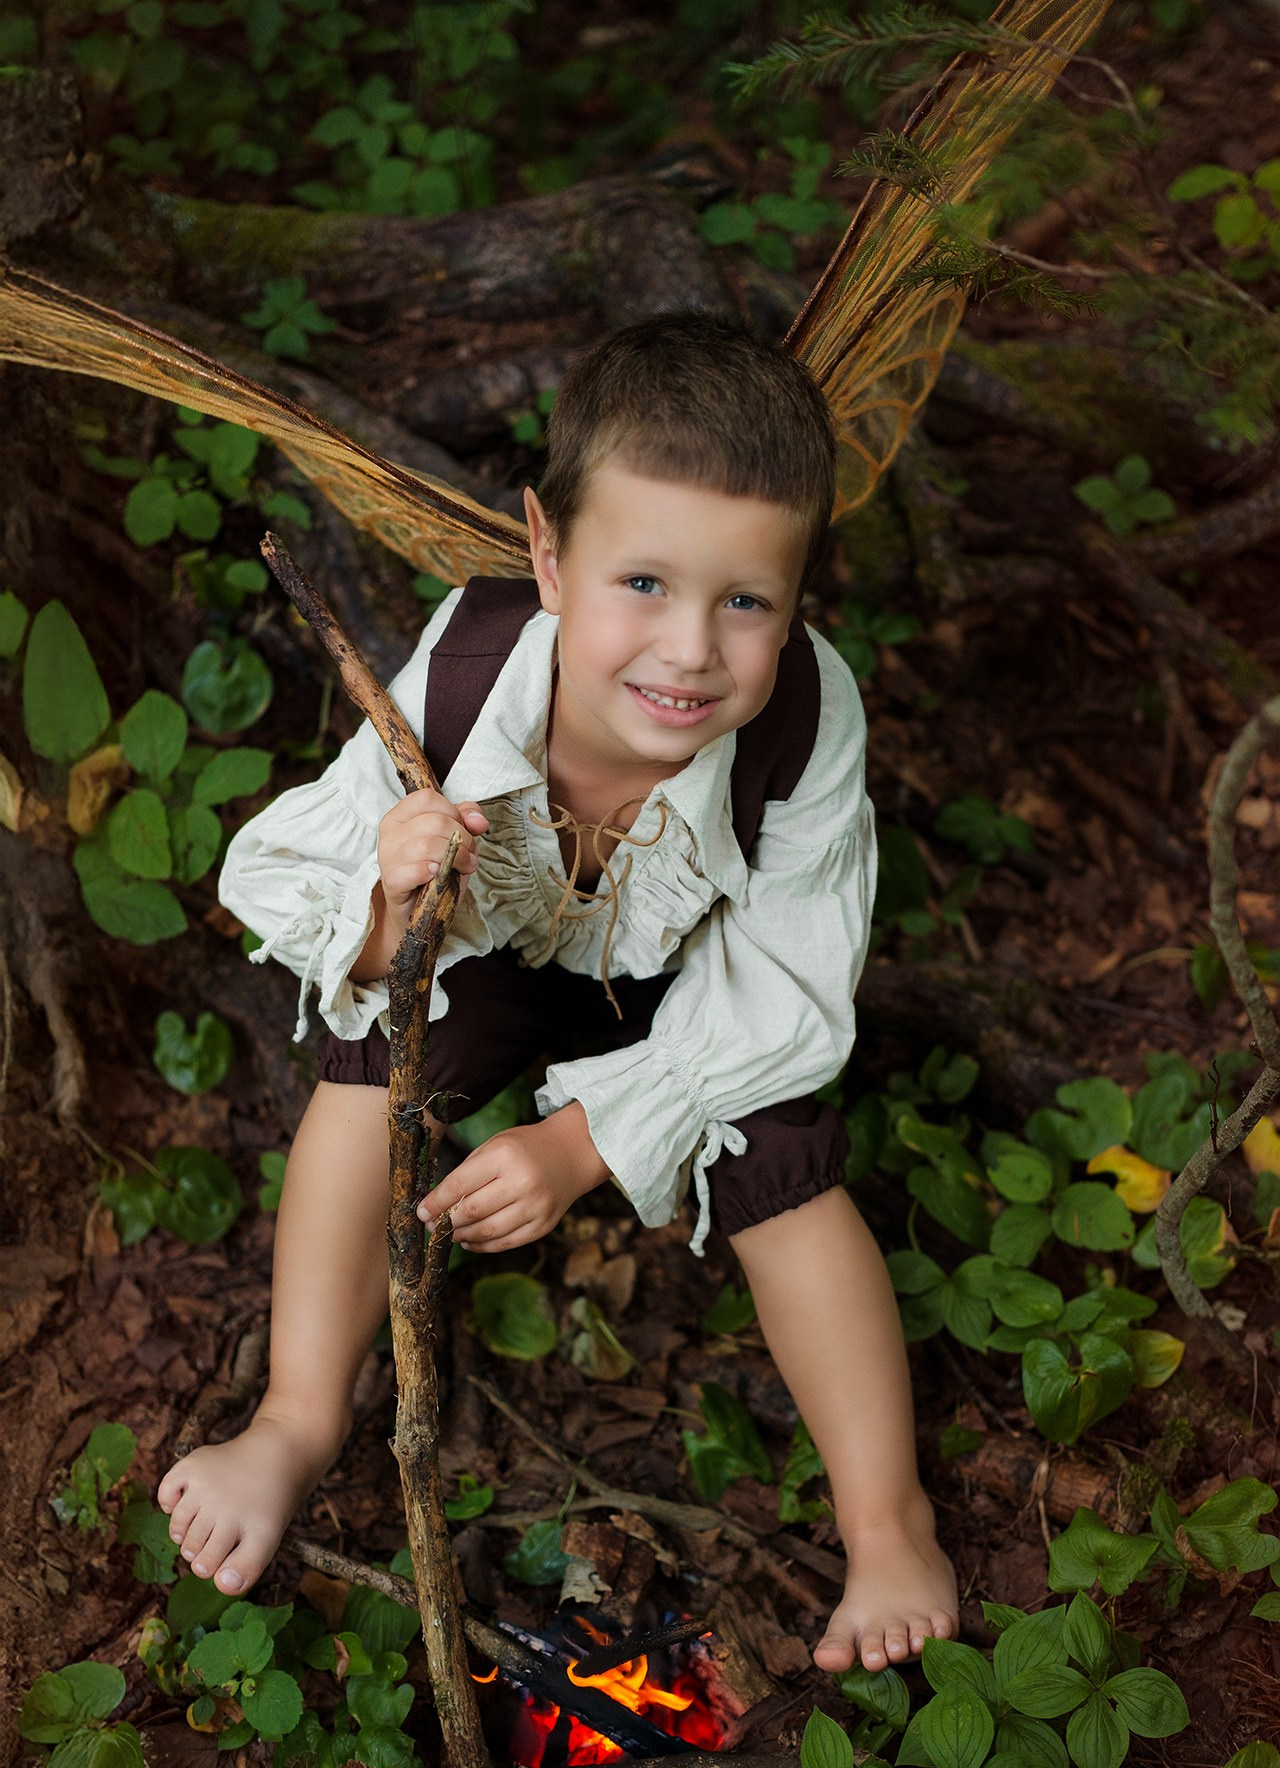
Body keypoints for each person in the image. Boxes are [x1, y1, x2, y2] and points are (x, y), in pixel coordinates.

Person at [157, 310, 959, 1675]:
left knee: (788, 1168)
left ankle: (889, 1526)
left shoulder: (808, 721)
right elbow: (309, 854)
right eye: (642, 583)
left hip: (694, 997)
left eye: (746, 601)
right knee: (371, 1065)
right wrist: (392, 898)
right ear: (547, 551)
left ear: (801, 596)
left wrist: (584, 1144)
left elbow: (787, 993)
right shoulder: (474, 663)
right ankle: (295, 1418)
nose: (692, 650)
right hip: (503, 955)